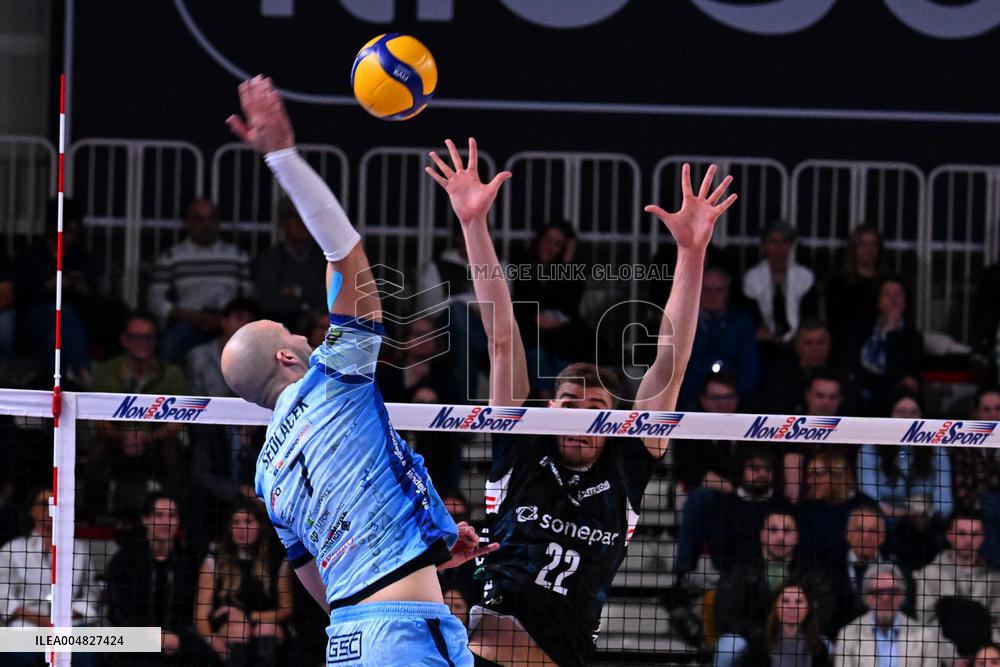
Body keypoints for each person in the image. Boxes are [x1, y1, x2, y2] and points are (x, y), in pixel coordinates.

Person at [427, 143, 737, 665]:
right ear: (549, 409)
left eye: (596, 407)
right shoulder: (520, 448)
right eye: (569, 402)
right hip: (490, 651)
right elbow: (501, 336)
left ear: (612, 423)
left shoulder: (627, 464)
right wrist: (473, 224)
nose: (581, 415)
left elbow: (671, 359)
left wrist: (692, 253)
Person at [222, 75, 493, 666]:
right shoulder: (331, 385)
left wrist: (422, 555)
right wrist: (283, 156)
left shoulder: (269, 473)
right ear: (289, 358)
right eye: (296, 335)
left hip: (347, 639)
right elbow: (345, 254)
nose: (308, 333)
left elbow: (316, 577)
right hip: (404, 635)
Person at [86, 311, 187, 520]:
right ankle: (93, 513)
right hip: (115, 439)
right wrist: (124, 436)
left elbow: (179, 420)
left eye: (149, 337)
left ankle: (170, 512)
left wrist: (149, 437)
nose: (143, 343)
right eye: (137, 337)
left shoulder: (172, 374)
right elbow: (97, 419)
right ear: (125, 340)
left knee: (174, 449)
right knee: (97, 449)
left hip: (156, 440)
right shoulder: (106, 373)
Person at [106, 493, 214, 667]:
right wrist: (154, 637)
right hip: (133, 638)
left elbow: (189, 615)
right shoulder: (123, 561)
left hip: (179, 640)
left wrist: (174, 638)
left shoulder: (190, 561)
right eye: (159, 515)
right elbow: (119, 615)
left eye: (171, 516)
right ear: (145, 519)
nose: (166, 522)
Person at [713, 513, 832, 667]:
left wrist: (797, 628)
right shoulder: (740, 567)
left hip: (799, 633)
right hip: (751, 637)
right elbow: (725, 613)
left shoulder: (811, 569)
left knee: (828, 646)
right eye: (773, 530)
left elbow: (826, 608)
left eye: (787, 531)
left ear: (796, 537)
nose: (780, 537)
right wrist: (763, 633)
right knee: (730, 646)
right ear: (762, 535)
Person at [0, 489, 100, 667]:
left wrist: (67, 617)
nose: (51, 508)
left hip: (70, 623)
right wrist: (42, 620)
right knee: (17, 650)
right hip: (27, 623)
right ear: (32, 511)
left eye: (56, 504)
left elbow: (91, 593)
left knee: (87, 649)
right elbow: (3, 596)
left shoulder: (79, 549)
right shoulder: (12, 549)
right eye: (44, 504)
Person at [147, 197, 254, 363]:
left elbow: (249, 297)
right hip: (187, 321)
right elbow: (155, 299)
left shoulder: (237, 256)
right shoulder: (172, 256)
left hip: (227, 324)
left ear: (218, 222)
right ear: (188, 222)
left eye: (211, 218)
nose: (206, 225)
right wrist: (187, 315)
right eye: (199, 219)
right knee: (170, 346)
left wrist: (224, 318)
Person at [857, 390, 951, 569]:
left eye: (913, 413)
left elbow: (945, 501)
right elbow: (869, 500)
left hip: (927, 523)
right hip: (888, 521)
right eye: (901, 412)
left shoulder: (936, 449)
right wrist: (905, 514)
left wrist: (926, 516)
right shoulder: (870, 448)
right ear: (889, 415)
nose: (908, 418)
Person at [195, 500, 293, 667]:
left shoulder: (276, 559)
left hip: (263, 624)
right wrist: (212, 641)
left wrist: (248, 617)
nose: (242, 528)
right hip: (227, 627)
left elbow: (286, 609)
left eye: (248, 521)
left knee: (267, 629)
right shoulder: (215, 558)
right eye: (236, 522)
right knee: (239, 632)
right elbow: (200, 616)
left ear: (260, 526)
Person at [511, 219, 590, 398]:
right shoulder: (521, 265)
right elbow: (521, 304)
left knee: (567, 352)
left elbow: (570, 307)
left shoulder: (568, 272)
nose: (549, 247)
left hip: (559, 336)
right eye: (547, 240)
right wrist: (535, 318)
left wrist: (568, 262)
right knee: (539, 357)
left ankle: (564, 404)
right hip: (529, 333)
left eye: (558, 244)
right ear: (539, 239)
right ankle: (546, 406)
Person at [833, 564, 955, 667]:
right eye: (877, 592)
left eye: (892, 592)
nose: (885, 598)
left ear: (902, 596)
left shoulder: (924, 637)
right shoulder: (848, 635)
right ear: (866, 598)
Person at [913, 512, 1000, 654]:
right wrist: (951, 657)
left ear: (983, 537)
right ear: (949, 535)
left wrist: (984, 656)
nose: (968, 540)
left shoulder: (995, 578)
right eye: (961, 534)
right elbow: (926, 623)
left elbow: (998, 624)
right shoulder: (929, 574)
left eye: (975, 534)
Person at [680, 265, 761, 409]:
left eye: (719, 290)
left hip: (737, 400)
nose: (713, 295)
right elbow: (677, 369)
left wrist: (731, 394)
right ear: (697, 291)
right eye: (707, 290)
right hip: (693, 399)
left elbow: (750, 366)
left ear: (727, 292)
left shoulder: (742, 323)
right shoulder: (684, 324)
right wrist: (703, 394)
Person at [840, 275, 923, 414]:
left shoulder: (912, 336)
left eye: (898, 294)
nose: (893, 299)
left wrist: (891, 333)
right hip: (860, 392)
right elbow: (852, 366)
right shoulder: (862, 328)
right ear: (877, 300)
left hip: (889, 395)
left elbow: (898, 373)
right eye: (887, 294)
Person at [829, 504, 915, 635]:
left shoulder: (899, 570)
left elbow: (907, 611)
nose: (866, 537)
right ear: (847, 534)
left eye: (872, 531)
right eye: (860, 530)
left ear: (883, 537)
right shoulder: (831, 569)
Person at [743, 220, 817, 348]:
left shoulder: (805, 277)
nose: (779, 247)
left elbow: (810, 314)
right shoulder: (752, 278)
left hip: (798, 342)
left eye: (784, 242)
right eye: (773, 242)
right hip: (762, 342)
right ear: (765, 245)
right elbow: (749, 315)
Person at [254, 198, 328, 326]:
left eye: (306, 215)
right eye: (294, 216)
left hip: (320, 334)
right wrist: (308, 303)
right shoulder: (269, 258)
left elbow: (329, 299)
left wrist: (296, 291)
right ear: (282, 222)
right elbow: (267, 302)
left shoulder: (327, 259)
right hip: (277, 331)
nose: (301, 222)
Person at [796, 451, 870, 571]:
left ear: (836, 475)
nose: (809, 481)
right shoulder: (806, 509)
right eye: (808, 475)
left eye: (816, 475)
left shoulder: (864, 507)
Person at [672, 371, 744, 493]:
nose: (723, 403)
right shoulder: (687, 429)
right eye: (716, 397)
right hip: (702, 494)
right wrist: (734, 490)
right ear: (703, 399)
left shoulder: (749, 427)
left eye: (728, 397)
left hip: (745, 495)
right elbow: (689, 471)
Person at [952, 385, 1000, 566]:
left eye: (998, 408)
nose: (994, 414)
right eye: (987, 410)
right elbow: (963, 491)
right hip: (978, 513)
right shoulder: (964, 447)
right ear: (976, 413)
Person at [186, 298, 260, 397]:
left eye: (250, 321)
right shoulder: (198, 355)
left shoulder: (260, 357)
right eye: (239, 318)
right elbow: (193, 396)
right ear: (224, 321)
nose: (245, 325)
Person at [825, 225, 885, 347]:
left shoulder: (888, 283)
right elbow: (835, 324)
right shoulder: (838, 284)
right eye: (862, 244)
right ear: (854, 249)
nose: (868, 250)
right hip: (846, 346)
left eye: (873, 244)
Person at [758, 320, 833, 413]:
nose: (815, 349)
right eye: (808, 343)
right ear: (796, 346)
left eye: (820, 342)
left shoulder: (843, 376)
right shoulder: (780, 378)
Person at [751, 583, 832, 667]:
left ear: (808, 608)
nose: (792, 607)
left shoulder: (819, 647)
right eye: (785, 601)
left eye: (798, 602)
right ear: (775, 606)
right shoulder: (759, 644)